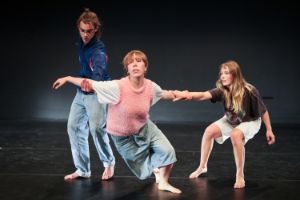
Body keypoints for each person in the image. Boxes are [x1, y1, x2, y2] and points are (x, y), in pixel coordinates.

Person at [53, 50, 182, 194]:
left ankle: (163, 182)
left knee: (168, 152)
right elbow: (90, 82)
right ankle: (154, 168)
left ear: (145, 67)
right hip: (122, 136)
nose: (135, 64)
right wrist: (68, 78)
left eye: (138, 61)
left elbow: (165, 93)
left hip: (144, 127)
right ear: (127, 69)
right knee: (143, 172)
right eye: (131, 62)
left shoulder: (151, 86)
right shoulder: (116, 87)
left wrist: (184, 94)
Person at [173, 60, 276, 189]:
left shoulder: (249, 90)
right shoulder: (223, 90)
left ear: (235, 75)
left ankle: (240, 174)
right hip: (231, 120)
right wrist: (187, 95)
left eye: (226, 73)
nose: (222, 76)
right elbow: (203, 95)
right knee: (209, 131)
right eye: (221, 73)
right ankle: (202, 166)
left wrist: (269, 130)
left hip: (250, 121)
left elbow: (264, 111)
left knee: (236, 134)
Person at [53, 8, 115, 181]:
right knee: (73, 127)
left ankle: (109, 162)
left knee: (96, 128)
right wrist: (82, 83)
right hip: (81, 92)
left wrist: (90, 82)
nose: (85, 35)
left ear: (96, 29)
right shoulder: (81, 44)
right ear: (78, 29)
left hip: (97, 92)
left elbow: (98, 72)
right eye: (82, 31)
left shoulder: (99, 52)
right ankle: (82, 169)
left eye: (89, 31)